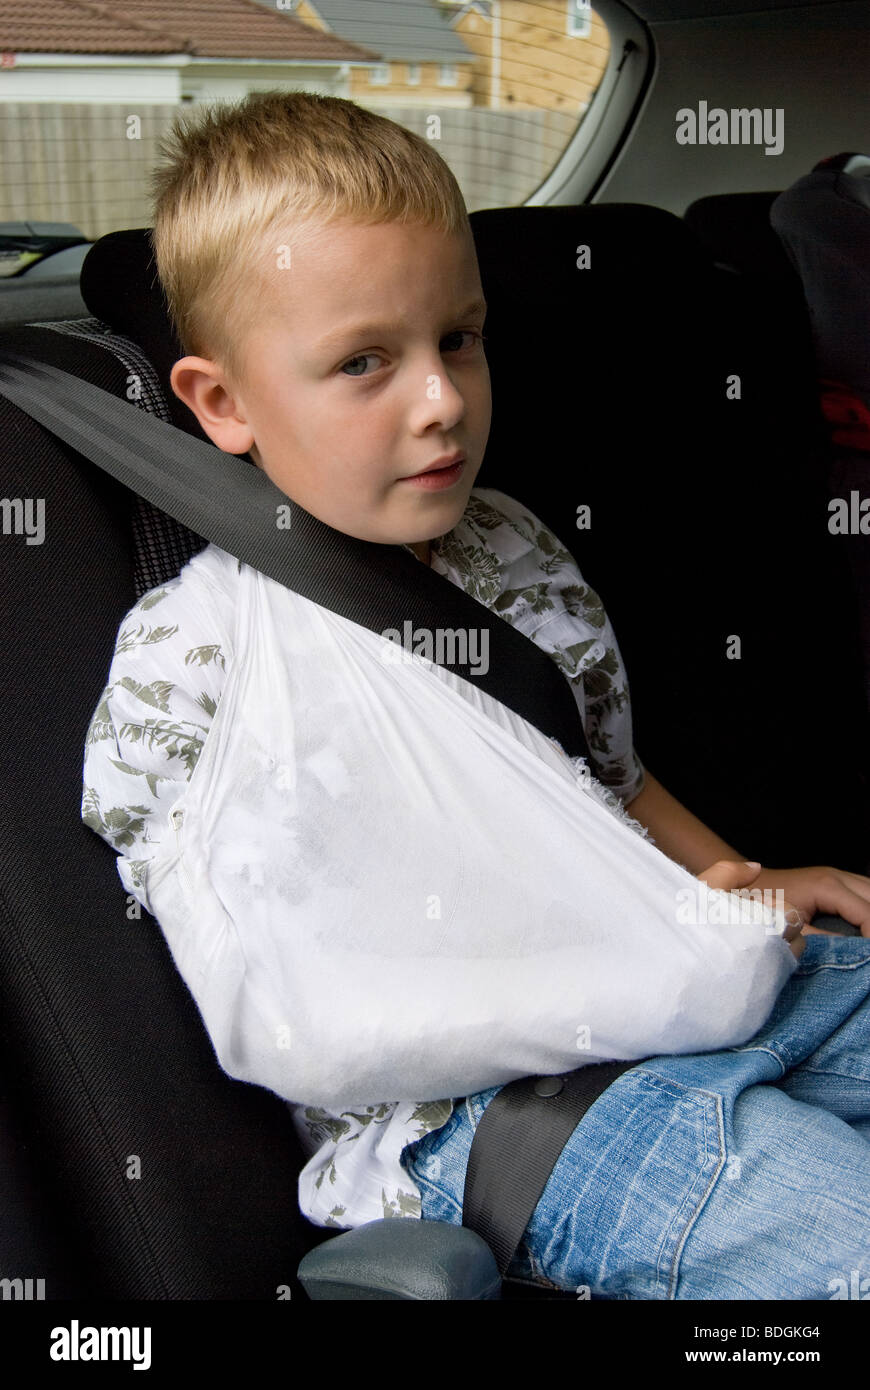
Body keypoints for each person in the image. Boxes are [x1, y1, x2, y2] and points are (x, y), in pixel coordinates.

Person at [81, 91, 870, 1298]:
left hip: (691, 986)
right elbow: (246, 950)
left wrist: (745, 880)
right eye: (364, 363)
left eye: (460, 338)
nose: (442, 398)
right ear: (223, 403)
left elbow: (609, 782)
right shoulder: (194, 659)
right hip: (493, 1119)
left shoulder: (516, 553)